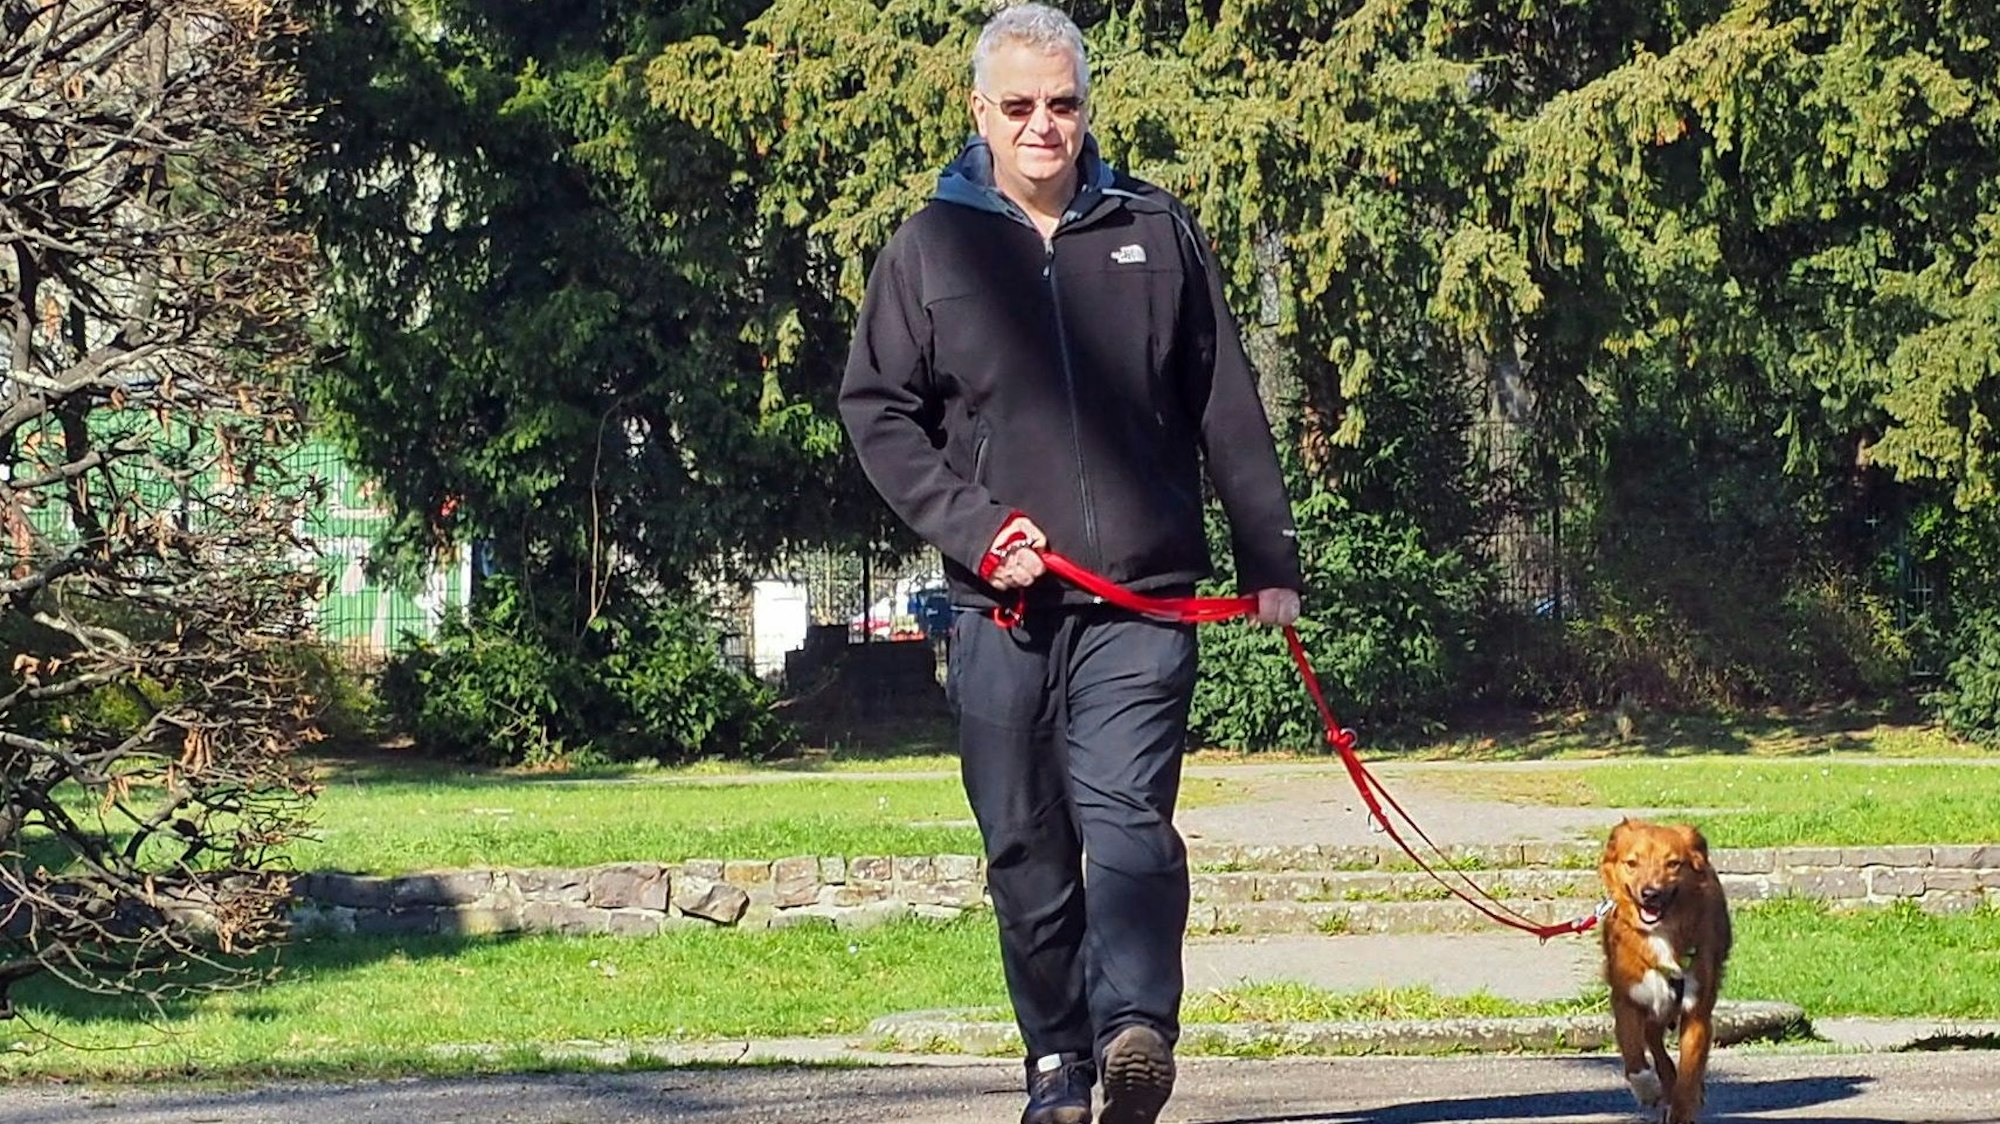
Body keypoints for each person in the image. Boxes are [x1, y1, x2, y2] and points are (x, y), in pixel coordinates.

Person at [838, 5, 1302, 1122]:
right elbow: (878, 411)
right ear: (977, 113)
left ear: (1086, 106)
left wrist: (1267, 553)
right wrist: (971, 524)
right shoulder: (930, 248)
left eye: (1064, 102)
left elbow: (1221, 401)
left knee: (1126, 819)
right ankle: (1055, 1056)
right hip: (998, 612)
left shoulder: (1153, 228)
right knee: (1025, 846)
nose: (1044, 125)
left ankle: (1134, 1025)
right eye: (1019, 106)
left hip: (1142, 598)